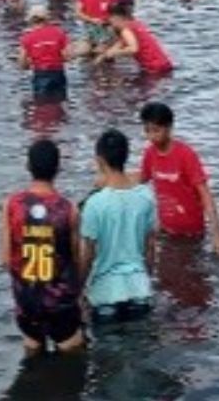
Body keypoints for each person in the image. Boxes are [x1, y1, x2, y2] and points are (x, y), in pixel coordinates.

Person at [0, 139, 85, 355]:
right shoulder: (69, 209)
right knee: (72, 366)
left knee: (32, 360)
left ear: (28, 167)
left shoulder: (12, 205)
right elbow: (78, 259)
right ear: (58, 169)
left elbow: (5, 259)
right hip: (60, 306)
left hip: (27, 305)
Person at [78, 129, 157, 326]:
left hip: (105, 295)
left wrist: (78, 291)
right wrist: (145, 279)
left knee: (107, 355)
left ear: (99, 160)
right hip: (140, 292)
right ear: (126, 156)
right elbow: (150, 249)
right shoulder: (146, 197)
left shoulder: (94, 204)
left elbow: (88, 255)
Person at [137, 103, 219, 254]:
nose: (151, 136)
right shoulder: (150, 154)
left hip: (192, 233)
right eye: (147, 131)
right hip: (167, 231)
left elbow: (205, 195)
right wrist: (111, 177)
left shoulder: (186, 155)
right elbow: (141, 178)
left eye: (156, 131)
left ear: (169, 127)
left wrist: (216, 233)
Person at [97, 0, 174, 75]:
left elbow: (133, 49)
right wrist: (103, 56)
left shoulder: (125, 30)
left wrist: (116, 53)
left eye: (110, 21)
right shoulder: (135, 24)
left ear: (116, 18)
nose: (111, 25)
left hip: (154, 68)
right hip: (163, 63)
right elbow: (120, 43)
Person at [18, 6, 75, 99]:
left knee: (41, 104)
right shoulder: (59, 33)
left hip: (40, 73)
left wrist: (29, 63)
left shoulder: (27, 38)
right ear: (47, 19)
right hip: (58, 72)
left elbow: (21, 63)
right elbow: (68, 56)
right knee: (60, 100)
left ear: (31, 20)